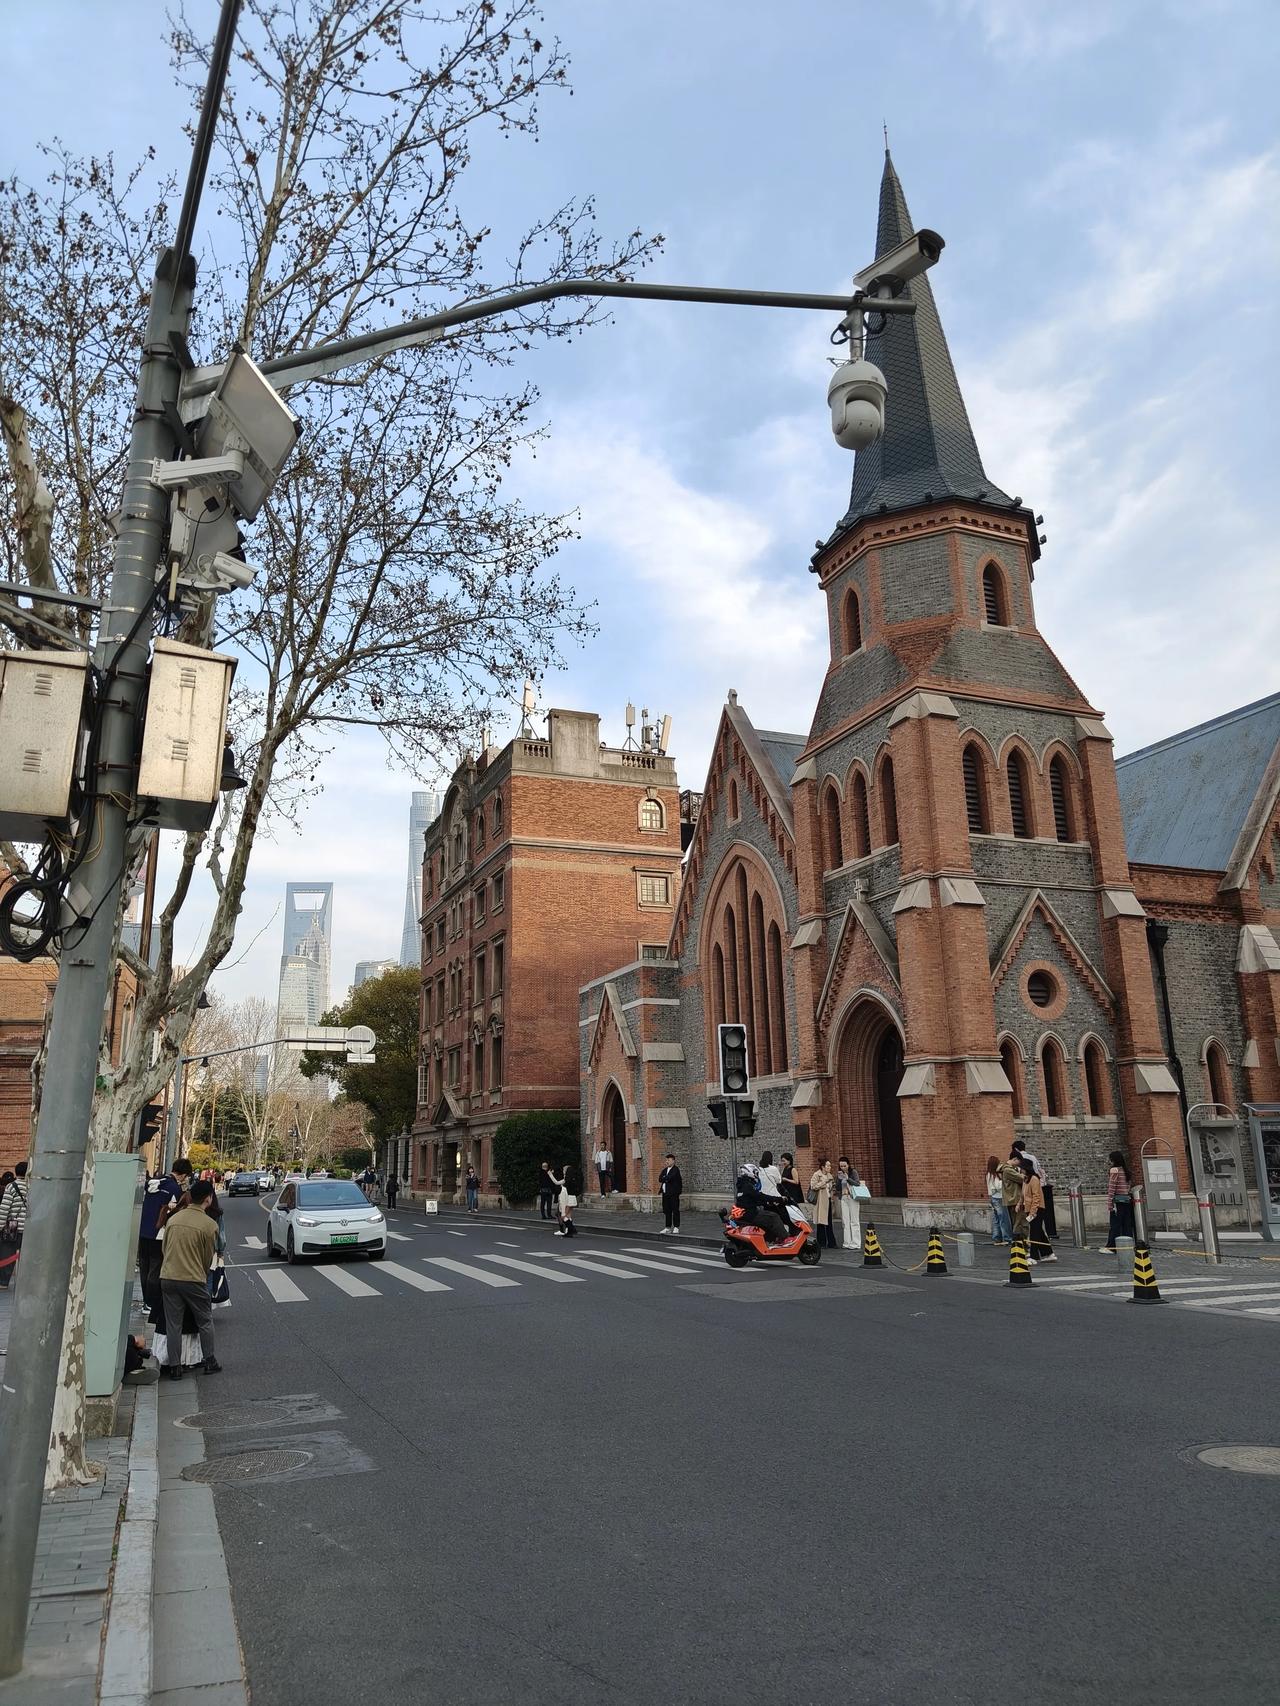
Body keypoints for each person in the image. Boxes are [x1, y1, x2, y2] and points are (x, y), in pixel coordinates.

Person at [159, 1179, 221, 1378]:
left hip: (168, 1276)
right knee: (205, 1320)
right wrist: (201, 1273)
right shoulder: (209, 1225)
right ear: (208, 1199)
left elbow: (164, 1248)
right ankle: (209, 1360)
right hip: (193, 1278)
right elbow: (207, 1257)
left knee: (173, 1324)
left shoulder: (174, 1219)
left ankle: (175, 1367)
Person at [138, 1157, 193, 1324]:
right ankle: (151, 1302)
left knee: (144, 1267)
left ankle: (145, 1302)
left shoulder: (154, 1181)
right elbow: (175, 1212)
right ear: (183, 1175)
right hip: (159, 1233)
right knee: (155, 1269)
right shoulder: (174, 1188)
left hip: (142, 1231)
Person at [734, 1163, 788, 1246]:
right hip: (750, 1213)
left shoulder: (742, 1185)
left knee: (766, 1216)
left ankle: (770, 1239)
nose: (756, 1175)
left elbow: (752, 1199)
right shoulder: (748, 1186)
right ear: (749, 1172)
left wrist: (766, 1202)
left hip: (745, 1212)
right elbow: (760, 1196)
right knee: (774, 1217)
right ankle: (785, 1239)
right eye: (755, 1172)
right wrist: (779, 1199)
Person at [1020, 1158, 1056, 1262]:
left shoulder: (1034, 1179)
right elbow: (1023, 1194)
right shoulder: (1026, 1179)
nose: (1020, 1170)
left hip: (1037, 1209)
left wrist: (1033, 1212)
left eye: (1022, 1168)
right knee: (1039, 1231)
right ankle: (1048, 1253)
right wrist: (1019, 1204)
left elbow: (1036, 1196)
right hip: (1029, 1208)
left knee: (1034, 1233)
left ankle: (1034, 1256)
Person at [0, 1162, 29, 1290]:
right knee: (26, 1255)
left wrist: (0, 1225)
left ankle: (3, 1282)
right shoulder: (32, 1187)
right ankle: (25, 1282)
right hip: (28, 1226)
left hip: (12, 1225)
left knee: (7, 1254)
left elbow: (4, 1209)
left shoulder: (11, 1186)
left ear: (16, 1172)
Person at [1102, 1151, 1134, 1252]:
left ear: (1113, 1159)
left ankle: (1111, 1247)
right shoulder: (1126, 1171)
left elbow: (1112, 1187)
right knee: (1126, 1225)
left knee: (1115, 1225)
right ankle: (1127, 1246)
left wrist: (1110, 1203)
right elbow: (1128, 1187)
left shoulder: (1114, 1170)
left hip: (1117, 1201)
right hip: (1126, 1200)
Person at [833, 1158, 862, 1251]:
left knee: (854, 1220)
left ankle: (856, 1243)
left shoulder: (853, 1172)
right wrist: (838, 1179)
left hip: (852, 1197)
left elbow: (857, 1183)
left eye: (844, 1166)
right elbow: (838, 1187)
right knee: (845, 1221)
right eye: (841, 1166)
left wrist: (847, 1178)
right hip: (843, 1197)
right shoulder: (840, 1174)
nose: (843, 1168)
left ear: (848, 1165)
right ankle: (847, 1242)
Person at [1000, 1151, 1027, 1243]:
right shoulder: (1008, 1170)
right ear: (1015, 1159)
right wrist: (1023, 1174)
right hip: (1014, 1198)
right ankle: (1019, 1241)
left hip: (1012, 1198)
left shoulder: (1008, 1169)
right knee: (1019, 1222)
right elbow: (1023, 1178)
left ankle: (1019, 1241)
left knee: (1018, 1221)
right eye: (1019, 1162)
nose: (1019, 1165)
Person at [809, 1158, 835, 1248]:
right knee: (820, 1221)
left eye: (830, 1166)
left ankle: (831, 1243)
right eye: (828, 1166)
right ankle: (821, 1242)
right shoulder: (817, 1174)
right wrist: (823, 1182)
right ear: (823, 1167)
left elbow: (831, 1187)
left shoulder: (829, 1175)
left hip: (828, 1199)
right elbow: (813, 1186)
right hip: (820, 1200)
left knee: (829, 1221)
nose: (829, 1167)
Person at [985, 1155, 1012, 1245]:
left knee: (996, 1219)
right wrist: (1004, 1180)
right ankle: (1007, 1238)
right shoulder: (994, 1175)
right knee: (1004, 1219)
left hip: (993, 1198)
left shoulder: (989, 1174)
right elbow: (998, 1186)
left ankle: (997, 1237)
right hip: (999, 1198)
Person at [550, 1162, 580, 1236]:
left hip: (568, 1199)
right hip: (573, 1199)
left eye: (564, 1170)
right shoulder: (573, 1179)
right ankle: (570, 1230)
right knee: (568, 1216)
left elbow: (557, 1183)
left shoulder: (566, 1180)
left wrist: (550, 1174)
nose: (563, 1171)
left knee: (564, 1216)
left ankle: (571, 1230)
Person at [658, 1153, 683, 1233]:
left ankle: (676, 1227)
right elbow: (660, 1179)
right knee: (667, 1211)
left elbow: (670, 1177)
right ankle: (667, 1227)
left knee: (675, 1210)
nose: (667, 1161)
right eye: (666, 1160)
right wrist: (665, 1178)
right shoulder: (665, 1170)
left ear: (673, 1161)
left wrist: (665, 1178)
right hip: (665, 1194)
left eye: (669, 1160)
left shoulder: (676, 1170)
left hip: (673, 1194)